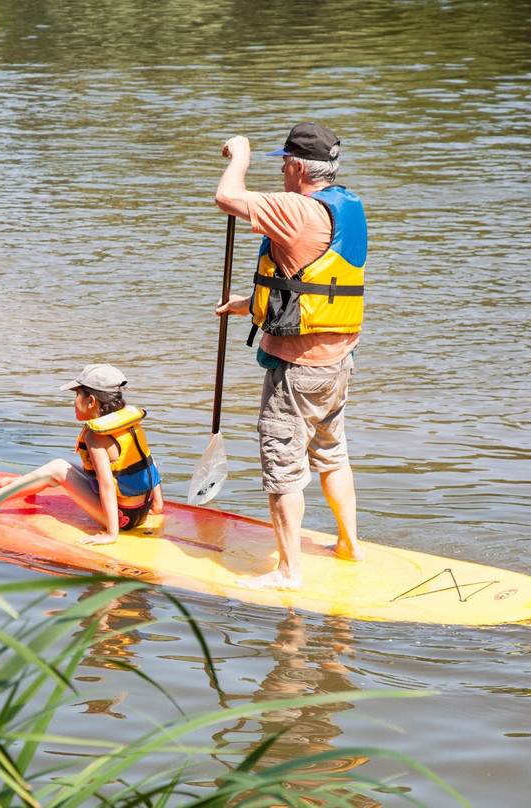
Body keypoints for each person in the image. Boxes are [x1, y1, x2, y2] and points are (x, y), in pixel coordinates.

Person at [214, 122, 367, 590]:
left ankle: (288, 572)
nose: (281, 170)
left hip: (297, 371)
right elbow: (309, 278)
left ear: (299, 167)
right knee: (331, 452)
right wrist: (252, 303)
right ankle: (349, 545)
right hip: (336, 362)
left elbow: (227, 197)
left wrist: (240, 154)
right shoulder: (343, 206)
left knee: (282, 466)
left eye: (283, 163)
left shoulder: (296, 207)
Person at [0, 364, 163, 546]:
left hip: (121, 519)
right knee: (66, 466)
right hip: (140, 511)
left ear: (91, 400)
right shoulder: (128, 424)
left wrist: (111, 533)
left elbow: (107, 484)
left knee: (58, 468)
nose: (73, 402)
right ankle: (24, 484)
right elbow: (148, 463)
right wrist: (156, 506)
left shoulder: (96, 436)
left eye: (76, 396)